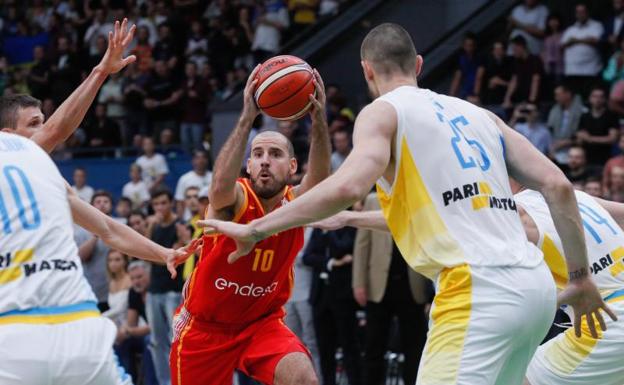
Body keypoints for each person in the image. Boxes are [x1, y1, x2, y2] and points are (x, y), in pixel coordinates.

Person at [199, 23, 612, 385]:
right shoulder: (480, 114)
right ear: (418, 64)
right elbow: (557, 186)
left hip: (477, 289)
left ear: (366, 70)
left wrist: (257, 228)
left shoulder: (382, 113)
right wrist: (579, 276)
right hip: (536, 290)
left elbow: (347, 185)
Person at [169, 65, 331, 385]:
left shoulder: (295, 204)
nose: (265, 160)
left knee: (304, 380)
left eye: (275, 154)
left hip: (261, 324)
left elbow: (321, 179)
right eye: (257, 154)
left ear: (292, 166)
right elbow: (217, 190)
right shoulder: (237, 197)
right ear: (249, 164)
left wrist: (319, 118)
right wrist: (246, 118)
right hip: (205, 329)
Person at [0, 131, 195, 385]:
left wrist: (162, 252)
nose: (42, 129)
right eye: (34, 123)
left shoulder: (41, 166)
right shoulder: (37, 158)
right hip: (65, 326)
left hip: (51, 323)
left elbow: (107, 228)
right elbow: (57, 129)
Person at [514, 189, 624, 385]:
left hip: (610, 316)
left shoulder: (514, 214)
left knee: (516, 377)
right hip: (611, 317)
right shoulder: (571, 194)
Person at [353, 192, 429, 385]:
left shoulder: (422, 196)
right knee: (373, 348)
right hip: (378, 284)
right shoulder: (372, 200)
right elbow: (362, 243)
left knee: (414, 349)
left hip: (413, 284)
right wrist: (358, 282)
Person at [561, 4, 604, 97]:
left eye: (582, 12)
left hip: (590, 70)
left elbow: (596, 40)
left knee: (589, 98)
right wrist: (584, 40)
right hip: (572, 71)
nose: (580, 14)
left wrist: (575, 40)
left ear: (587, 13)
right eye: (578, 12)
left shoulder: (596, 26)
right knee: (574, 99)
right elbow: (563, 45)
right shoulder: (570, 29)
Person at [577, 86, 619, 166]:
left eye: (601, 97)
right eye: (595, 96)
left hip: (605, 158)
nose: (597, 99)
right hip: (586, 157)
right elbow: (580, 136)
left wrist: (590, 139)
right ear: (590, 98)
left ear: (605, 99)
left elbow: (613, 138)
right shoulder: (584, 116)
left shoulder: (611, 116)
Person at [174, 149, 212, 219]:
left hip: (210, 217)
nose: (201, 160)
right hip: (189, 219)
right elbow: (180, 202)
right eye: (197, 158)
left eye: (203, 157)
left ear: (207, 160)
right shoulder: (184, 179)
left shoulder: (214, 178)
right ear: (193, 161)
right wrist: (180, 220)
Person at [102, 250, 132, 328]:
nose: (113, 263)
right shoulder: (112, 282)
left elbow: (120, 308)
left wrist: (100, 317)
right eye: (110, 260)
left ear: (125, 261)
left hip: (131, 324)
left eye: (117, 260)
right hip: (116, 325)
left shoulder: (129, 279)